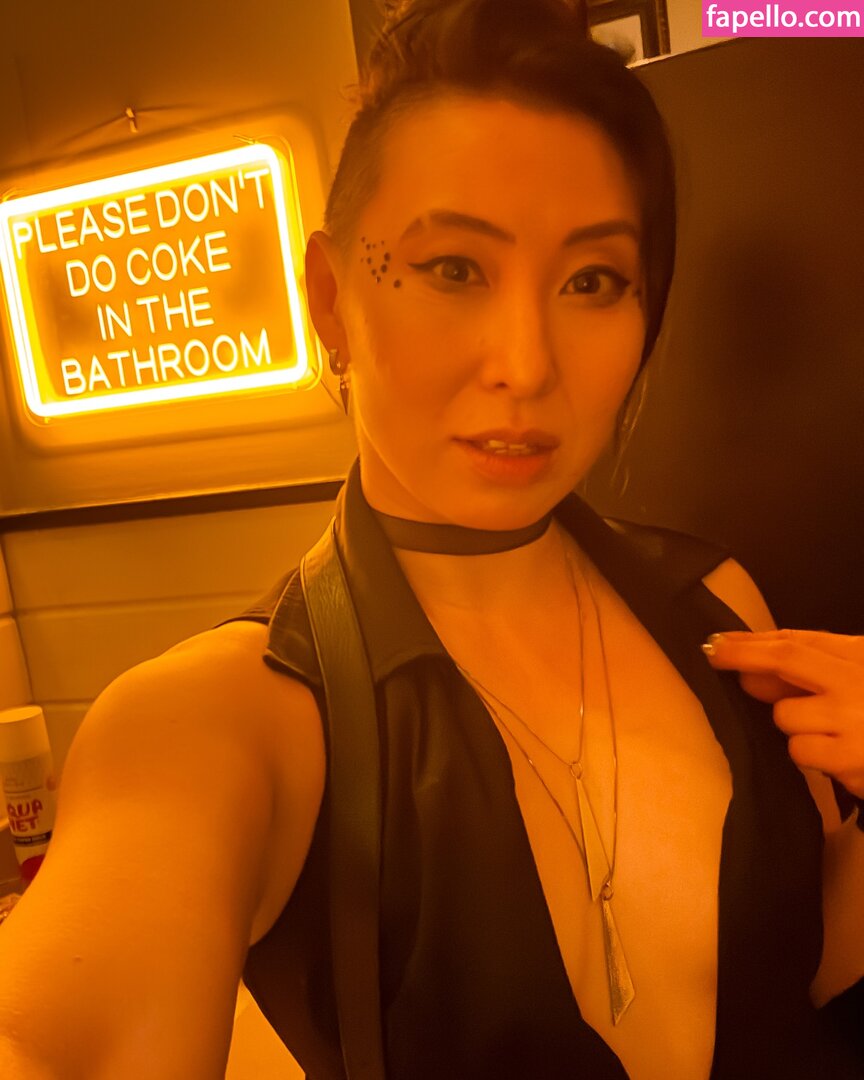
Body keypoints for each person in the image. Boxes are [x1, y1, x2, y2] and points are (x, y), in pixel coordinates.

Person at [1, 0, 863, 1077]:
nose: (526, 365)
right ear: (329, 301)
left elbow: (798, 968)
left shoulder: (720, 606)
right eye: (454, 268)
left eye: (592, 282)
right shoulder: (224, 721)